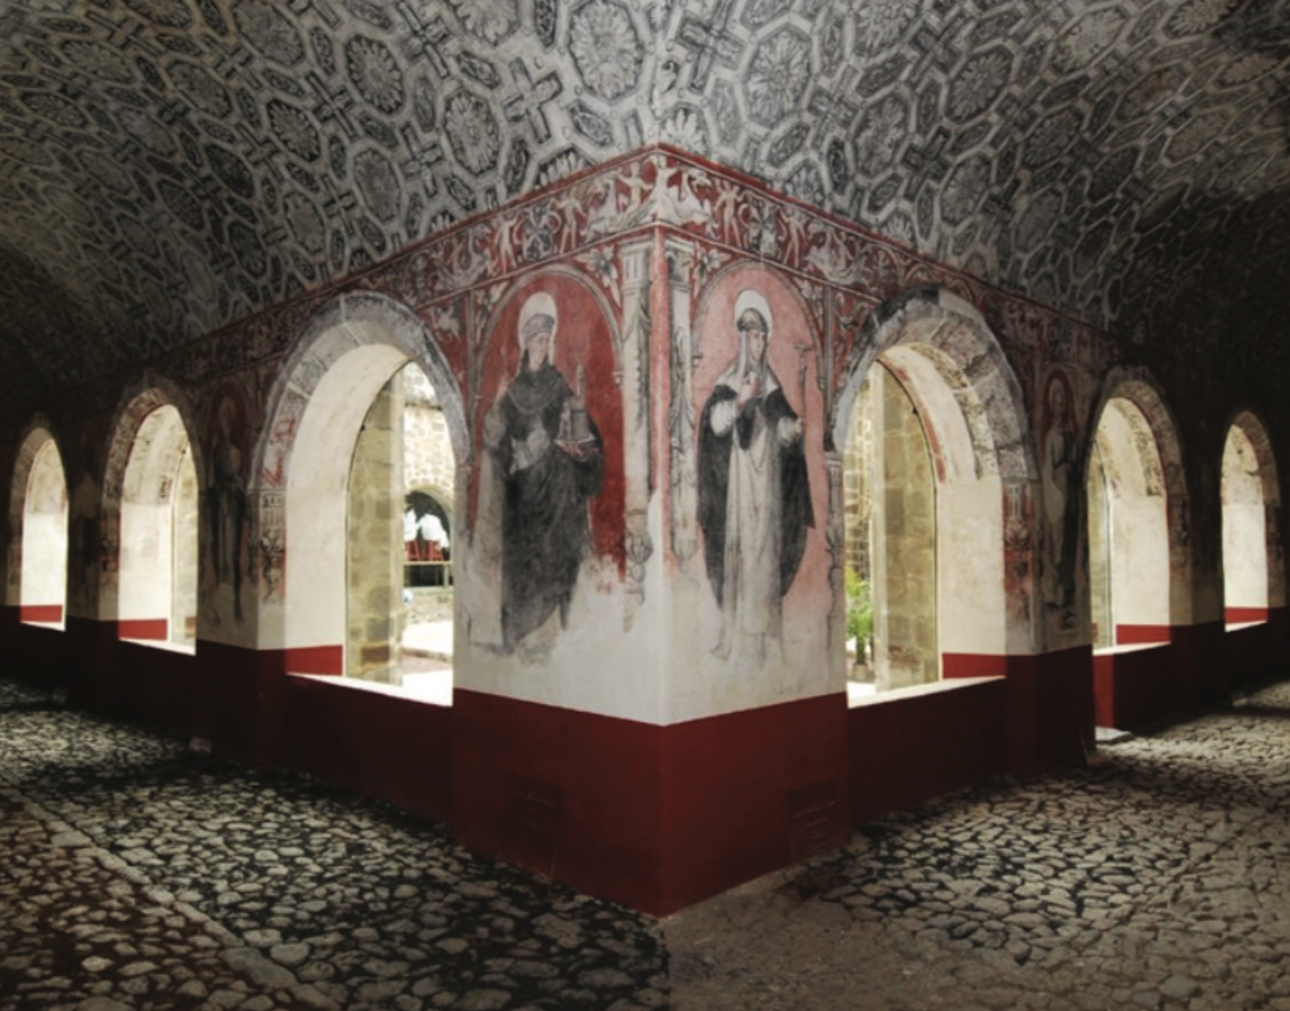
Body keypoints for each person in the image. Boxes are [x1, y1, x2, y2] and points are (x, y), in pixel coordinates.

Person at [480, 292, 604, 654]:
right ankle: (523, 636)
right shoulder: (513, 392)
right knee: (524, 569)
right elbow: (493, 439)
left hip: (558, 494)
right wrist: (498, 405)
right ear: (526, 343)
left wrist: (583, 451)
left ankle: (554, 637)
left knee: (558, 561)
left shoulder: (559, 386)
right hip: (522, 498)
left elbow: (582, 431)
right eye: (537, 339)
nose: (542, 345)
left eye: (547, 339)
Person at [698, 289, 813, 667]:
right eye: (753, 336)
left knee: (766, 557)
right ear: (742, 339)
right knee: (743, 556)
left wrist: (793, 428)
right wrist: (741, 400)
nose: (759, 343)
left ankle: (766, 641)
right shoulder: (730, 379)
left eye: (763, 336)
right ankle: (738, 639)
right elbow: (715, 422)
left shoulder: (771, 382)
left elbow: (779, 427)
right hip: (740, 484)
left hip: (769, 486)